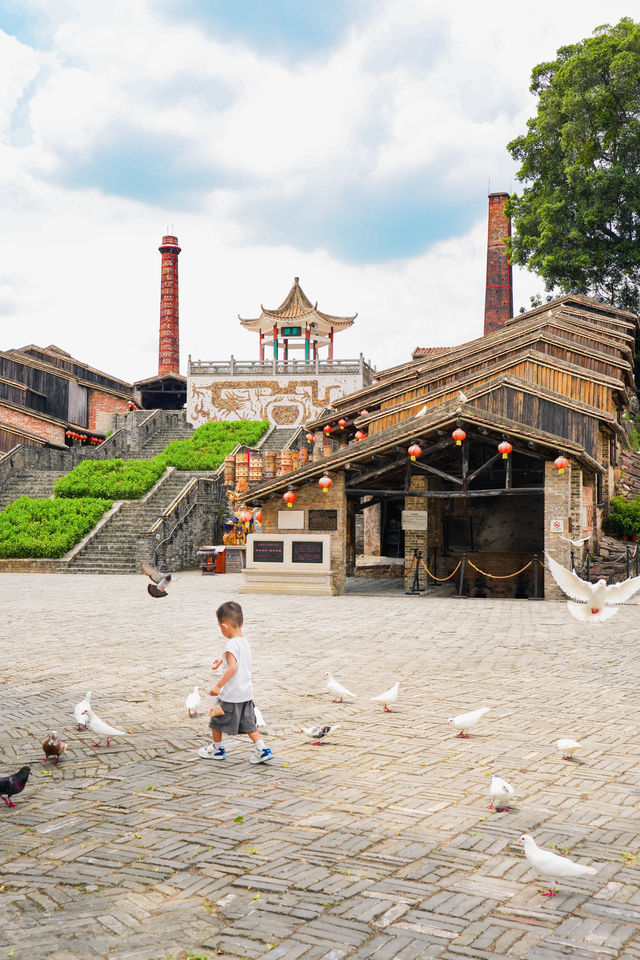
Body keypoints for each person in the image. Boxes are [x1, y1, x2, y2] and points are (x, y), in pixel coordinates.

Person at [197, 600, 273, 764]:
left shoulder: (230, 644)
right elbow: (237, 659)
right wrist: (221, 659)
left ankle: (217, 749)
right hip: (246, 693)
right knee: (249, 724)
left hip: (231, 694)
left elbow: (233, 668)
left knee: (216, 722)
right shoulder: (244, 641)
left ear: (224, 626)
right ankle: (262, 749)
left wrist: (218, 686)